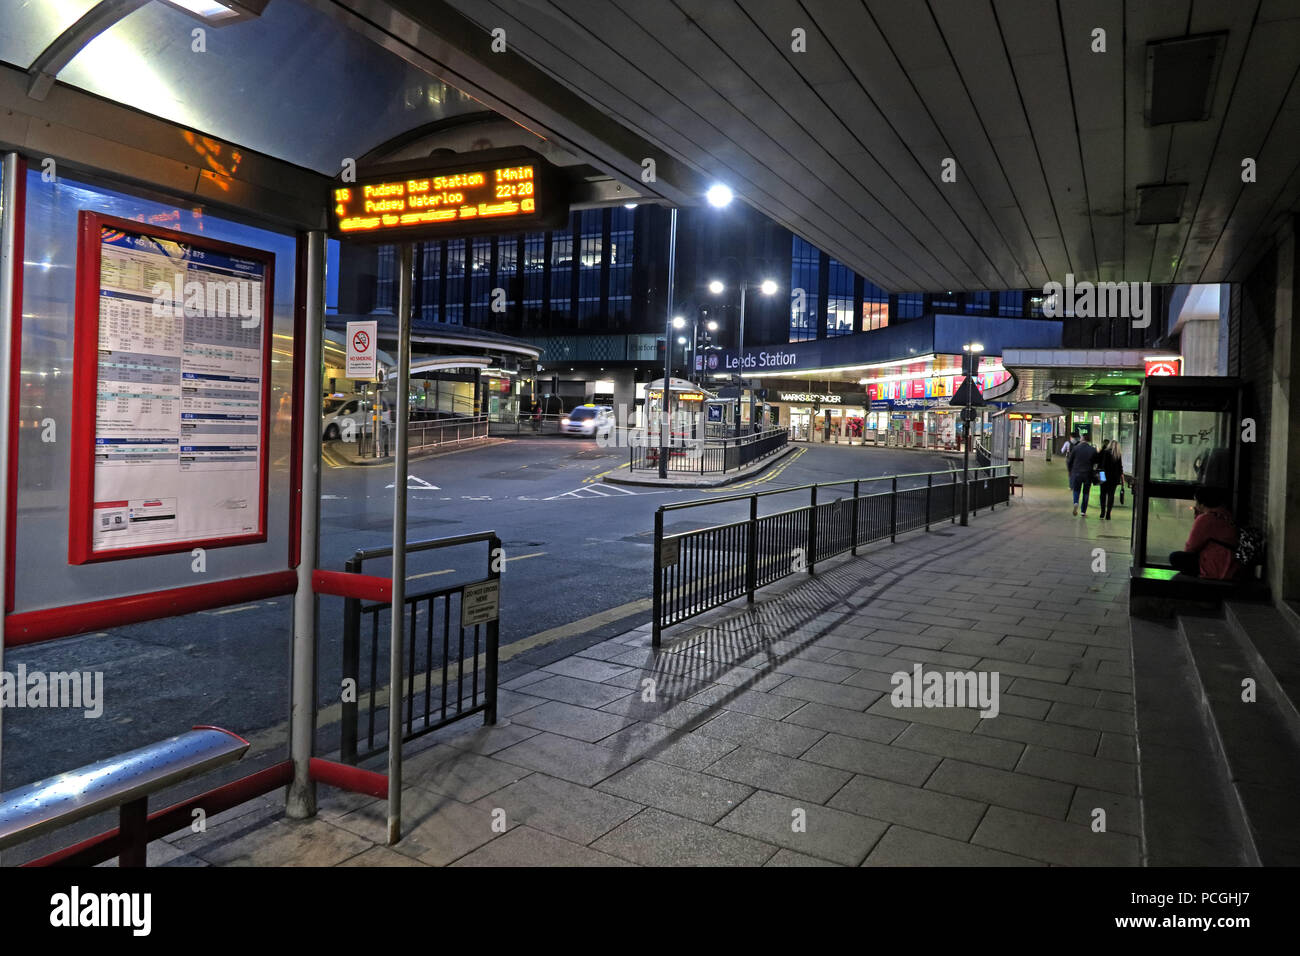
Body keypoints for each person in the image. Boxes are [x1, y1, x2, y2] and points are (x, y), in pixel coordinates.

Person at [1169, 486, 1240, 580]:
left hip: (1216, 566)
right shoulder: (1225, 514)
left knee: (1175, 557)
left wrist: (1198, 519)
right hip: (1231, 563)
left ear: (1202, 504)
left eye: (1196, 501)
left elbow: (1191, 547)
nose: (1195, 504)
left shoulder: (1206, 519)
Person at [1067, 432, 1097, 516]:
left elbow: (1070, 461)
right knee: (1086, 492)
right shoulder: (1093, 449)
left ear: (1083, 438)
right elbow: (1096, 463)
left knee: (1076, 490)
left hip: (1077, 473)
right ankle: (1083, 511)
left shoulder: (1076, 448)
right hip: (1088, 474)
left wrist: (1070, 471)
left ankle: (1076, 502)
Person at [1097, 439, 1124, 519]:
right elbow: (1120, 468)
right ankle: (1108, 513)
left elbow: (1102, 466)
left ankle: (1102, 512)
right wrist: (1122, 478)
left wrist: (1101, 478)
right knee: (1111, 495)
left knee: (1102, 494)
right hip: (1114, 478)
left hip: (1104, 476)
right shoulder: (1118, 455)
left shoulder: (1106, 452)